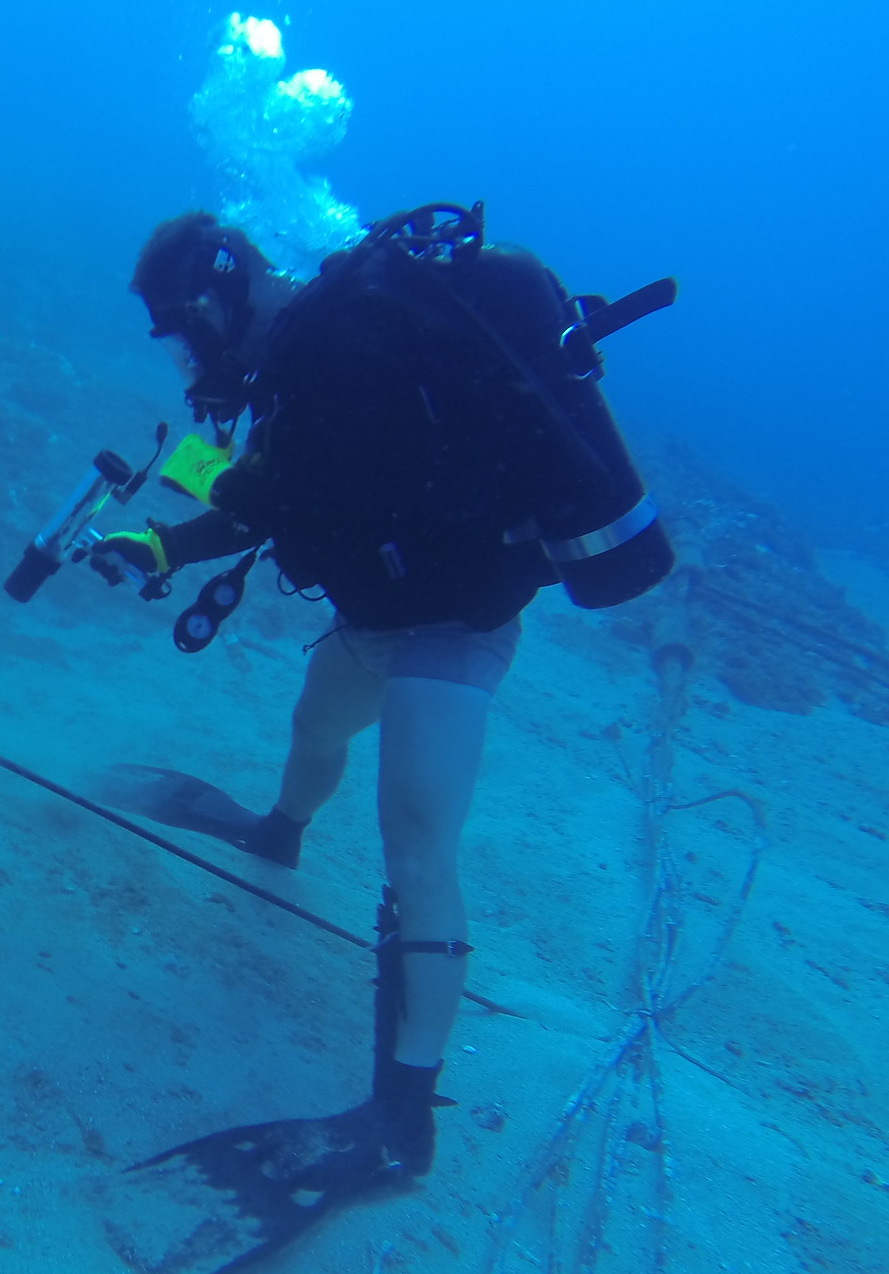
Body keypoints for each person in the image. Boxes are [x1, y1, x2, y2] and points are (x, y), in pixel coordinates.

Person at [94, 204, 671, 1208]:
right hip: (376, 608)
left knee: (414, 844)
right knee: (314, 728)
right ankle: (278, 833)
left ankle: (400, 1119)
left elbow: (267, 501)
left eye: (183, 334)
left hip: (454, 619)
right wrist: (164, 538)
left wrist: (173, 533)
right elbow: (267, 492)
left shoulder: (335, 344)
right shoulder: (300, 358)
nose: (187, 361)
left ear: (214, 299)